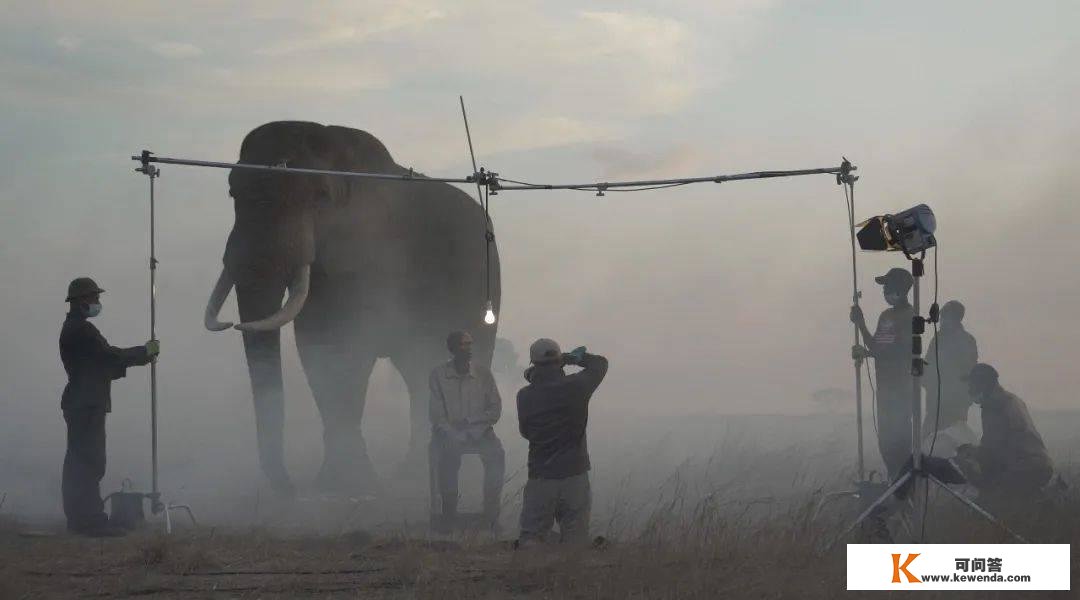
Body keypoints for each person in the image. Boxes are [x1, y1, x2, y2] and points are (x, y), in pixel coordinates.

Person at [59, 277, 159, 537]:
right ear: (82, 301)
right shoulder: (82, 330)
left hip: (83, 402)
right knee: (89, 461)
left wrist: (140, 358)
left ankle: (82, 519)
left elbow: (102, 366)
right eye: (94, 298)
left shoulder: (75, 328)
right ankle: (89, 522)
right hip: (86, 403)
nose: (97, 303)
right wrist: (143, 352)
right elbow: (108, 356)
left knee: (81, 461)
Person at [516, 339, 608, 546]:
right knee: (575, 540)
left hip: (541, 476)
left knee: (532, 539)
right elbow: (600, 364)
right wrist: (573, 359)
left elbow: (525, 432)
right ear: (559, 362)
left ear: (533, 363)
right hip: (575, 474)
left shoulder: (524, 396)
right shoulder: (576, 386)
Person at [428, 330, 505, 531]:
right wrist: (451, 433)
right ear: (452, 349)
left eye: (470, 344)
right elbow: (437, 415)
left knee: (496, 455)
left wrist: (472, 422)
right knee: (448, 458)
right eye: (463, 345)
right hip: (449, 433)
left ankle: (491, 514)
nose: (468, 349)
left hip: (480, 431)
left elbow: (495, 409)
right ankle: (449, 515)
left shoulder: (483, 373)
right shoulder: (439, 375)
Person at [955, 363, 1053, 511]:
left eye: (973, 386)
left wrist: (968, 454)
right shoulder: (1010, 400)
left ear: (984, 385)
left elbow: (992, 450)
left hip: (1025, 467)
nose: (970, 391)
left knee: (990, 504)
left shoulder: (995, 406)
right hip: (1038, 465)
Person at [850, 267, 914, 479]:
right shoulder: (889, 315)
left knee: (895, 443)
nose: (884, 290)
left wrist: (862, 330)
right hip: (889, 389)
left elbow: (892, 351)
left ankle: (901, 490)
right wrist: (861, 327)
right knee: (888, 443)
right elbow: (879, 347)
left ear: (899, 289)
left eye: (887, 286)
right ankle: (897, 487)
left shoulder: (905, 316)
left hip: (899, 390)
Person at [922, 300, 979, 437]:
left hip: (955, 405)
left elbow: (969, 372)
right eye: (942, 317)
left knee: (950, 440)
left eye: (945, 317)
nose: (941, 321)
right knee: (928, 440)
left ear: (954, 319)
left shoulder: (966, 341)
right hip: (936, 401)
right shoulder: (938, 339)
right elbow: (928, 364)